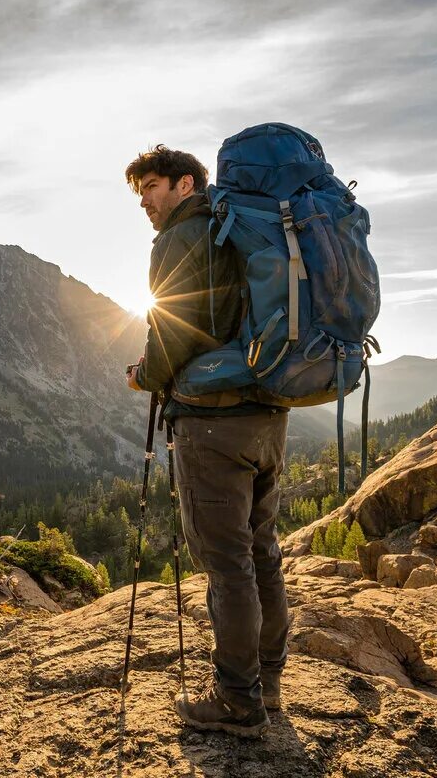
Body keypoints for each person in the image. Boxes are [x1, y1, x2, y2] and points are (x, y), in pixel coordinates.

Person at [124, 145, 290, 737]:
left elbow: (173, 329)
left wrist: (145, 375)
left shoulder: (179, 237)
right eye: (139, 191)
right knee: (261, 549)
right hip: (270, 411)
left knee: (228, 566)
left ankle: (240, 702)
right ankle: (267, 679)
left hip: (214, 421)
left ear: (185, 182)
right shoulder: (239, 228)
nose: (143, 201)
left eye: (150, 186)